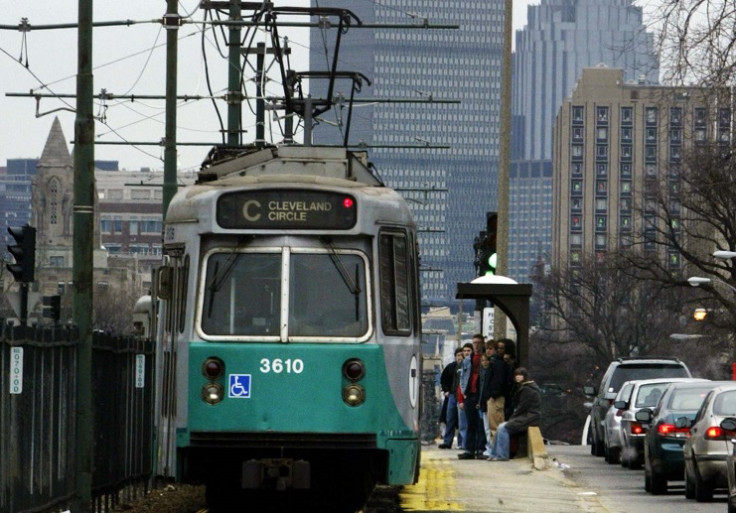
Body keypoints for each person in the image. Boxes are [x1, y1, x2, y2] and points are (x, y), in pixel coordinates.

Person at [486, 367, 541, 461]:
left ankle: (502, 455)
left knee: (503, 428)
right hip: (527, 416)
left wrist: (512, 418)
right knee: (500, 426)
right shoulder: (526, 387)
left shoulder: (527, 389)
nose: (518, 378)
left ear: (525, 377)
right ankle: (494, 454)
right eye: (516, 376)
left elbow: (522, 407)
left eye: (520, 376)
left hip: (530, 417)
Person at [458, 334, 487, 460]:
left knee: (481, 423)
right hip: (470, 394)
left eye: (478, 342)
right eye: (474, 342)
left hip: (481, 394)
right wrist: (463, 392)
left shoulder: (485, 359)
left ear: (482, 344)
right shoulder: (467, 360)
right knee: (470, 423)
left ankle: (481, 449)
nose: (476, 345)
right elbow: (463, 376)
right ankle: (469, 450)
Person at [487, 339, 513, 444]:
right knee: (494, 426)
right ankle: (497, 450)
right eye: (497, 348)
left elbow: (500, 381)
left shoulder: (501, 364)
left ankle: (499, 451)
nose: (499, 350)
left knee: (496, 426)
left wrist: (493, 394)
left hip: (497, 397)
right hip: (496, 396)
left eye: (501, 348)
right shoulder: (497, 362)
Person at [438, 347, 464, 449]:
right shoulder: (450, 367)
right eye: (458, 355)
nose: (460, 357)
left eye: (461, 355)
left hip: (462, 396)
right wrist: (446, 390)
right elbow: (443, 379)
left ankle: (462, 443)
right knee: (450, 419)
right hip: (452, 396)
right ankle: (447, 441)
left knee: (462, 421)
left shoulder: (466, 366)